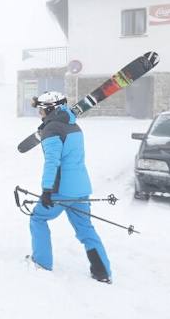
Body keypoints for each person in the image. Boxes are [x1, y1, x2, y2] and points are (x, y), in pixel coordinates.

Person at [27, 91, 112, 284]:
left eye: (41, 109)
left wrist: (47, 190)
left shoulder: (52, 130)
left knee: (38, 218)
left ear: (50, 109)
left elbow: (52, 162)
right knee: (85, 230)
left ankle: (42, 263)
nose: (39, 113)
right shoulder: (73, 124)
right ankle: (102, 272)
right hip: (81, 188)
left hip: (61, 190)